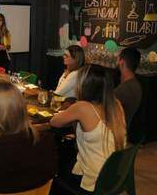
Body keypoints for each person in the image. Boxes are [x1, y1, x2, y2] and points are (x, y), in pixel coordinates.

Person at [50, 64, 126, 193]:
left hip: (92, 180)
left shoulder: (82, 107)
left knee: (52, 168)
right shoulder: (115, 104)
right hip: (112, 173)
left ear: (85, 85)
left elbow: (54, 122)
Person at [115, 47, 142, 127]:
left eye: (118, 59)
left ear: (122, 62)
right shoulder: (135, 84)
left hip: (116, 133)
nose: (116, 61)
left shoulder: (125, 89)